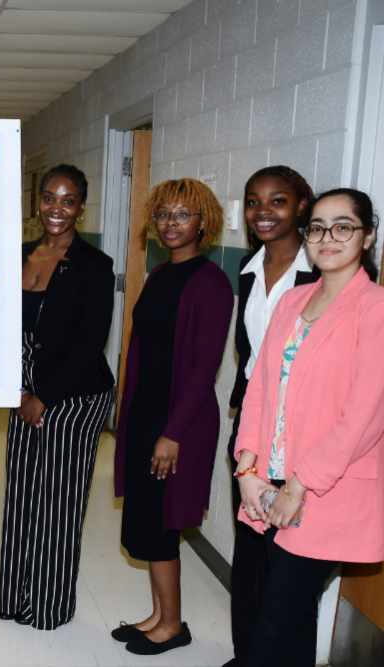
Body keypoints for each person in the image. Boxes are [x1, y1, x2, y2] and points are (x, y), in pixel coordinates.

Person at [235, 188, 384, 667]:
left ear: (368, 236)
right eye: (317, 227)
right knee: (286, 615)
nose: (328, 237)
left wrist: (300, 485)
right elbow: (260, 386)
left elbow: (364, 415)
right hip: (269, 484)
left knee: (276, 621)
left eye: (343, 227)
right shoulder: (294, 299)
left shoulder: (375, 308)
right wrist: (248, 466)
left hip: (324, 490)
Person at [112, 178, 234, 655]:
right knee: (147, 518)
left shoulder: (211, 282)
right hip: (148, 414)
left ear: (203, 222)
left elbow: (204, 369)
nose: (171, 224)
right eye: (164, 215)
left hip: (178, 423)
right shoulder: (160, 275)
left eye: (183, 215)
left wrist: (172, 433)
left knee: (163, 522)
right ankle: (159, 615)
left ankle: (173, 627)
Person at [0, 164, 115, 630]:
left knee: (59, 501)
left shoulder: (94, 265)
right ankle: (16, 598)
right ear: (37, 201)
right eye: (49, 198)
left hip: (75, 393)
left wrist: (42, 396)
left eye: (68, 201)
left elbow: (90, 342)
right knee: (23, 494)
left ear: (81, 208)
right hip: (23, 387)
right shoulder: (19, 254)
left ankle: (48, 606)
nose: (57, 209)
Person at [223, 166, 318, 667]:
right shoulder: (247, 267)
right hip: (251, 429)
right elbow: (250, 349)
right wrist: (242, 399)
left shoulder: (323, 272)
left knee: (289, 557)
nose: (263, 211)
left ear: (302, 206)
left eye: (277, 201)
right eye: (254, 201)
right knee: (249, 547)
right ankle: (248, 654)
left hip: (300, 435)